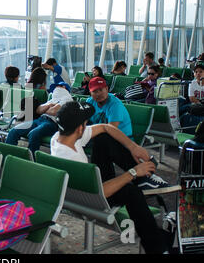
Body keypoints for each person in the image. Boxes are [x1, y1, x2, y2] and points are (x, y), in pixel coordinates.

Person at [50, 101, 178, 254]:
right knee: (131, 192)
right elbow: (102, 191)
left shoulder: (59, 138)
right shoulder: (73, 159)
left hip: (78, 192)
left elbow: (106, 127)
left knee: (102, 138)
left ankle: (144, 180)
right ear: (79, 128)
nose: (87, 124)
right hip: (94, 199)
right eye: (85, 122)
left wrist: (133, 147)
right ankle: (157, 248)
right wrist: (134, 172)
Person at [5, 82, 72, 155]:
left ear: (64, 88)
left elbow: (53, 111)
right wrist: (50, 105)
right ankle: (8, 155)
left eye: (58, 86)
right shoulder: (52, 100)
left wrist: (46, 109)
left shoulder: (68, 99)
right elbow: (38, 110)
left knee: (33, 134)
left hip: (52, 123)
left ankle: (31, 159)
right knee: (13, 131)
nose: (56, 88)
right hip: (40, 119)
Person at [180, 63, 204, 133]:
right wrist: (200, 104)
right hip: (195, 104)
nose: (198, 74)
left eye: (200, 72)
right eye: (196, 72)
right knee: (182, 109)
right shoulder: (192, 83)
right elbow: (192, 98)